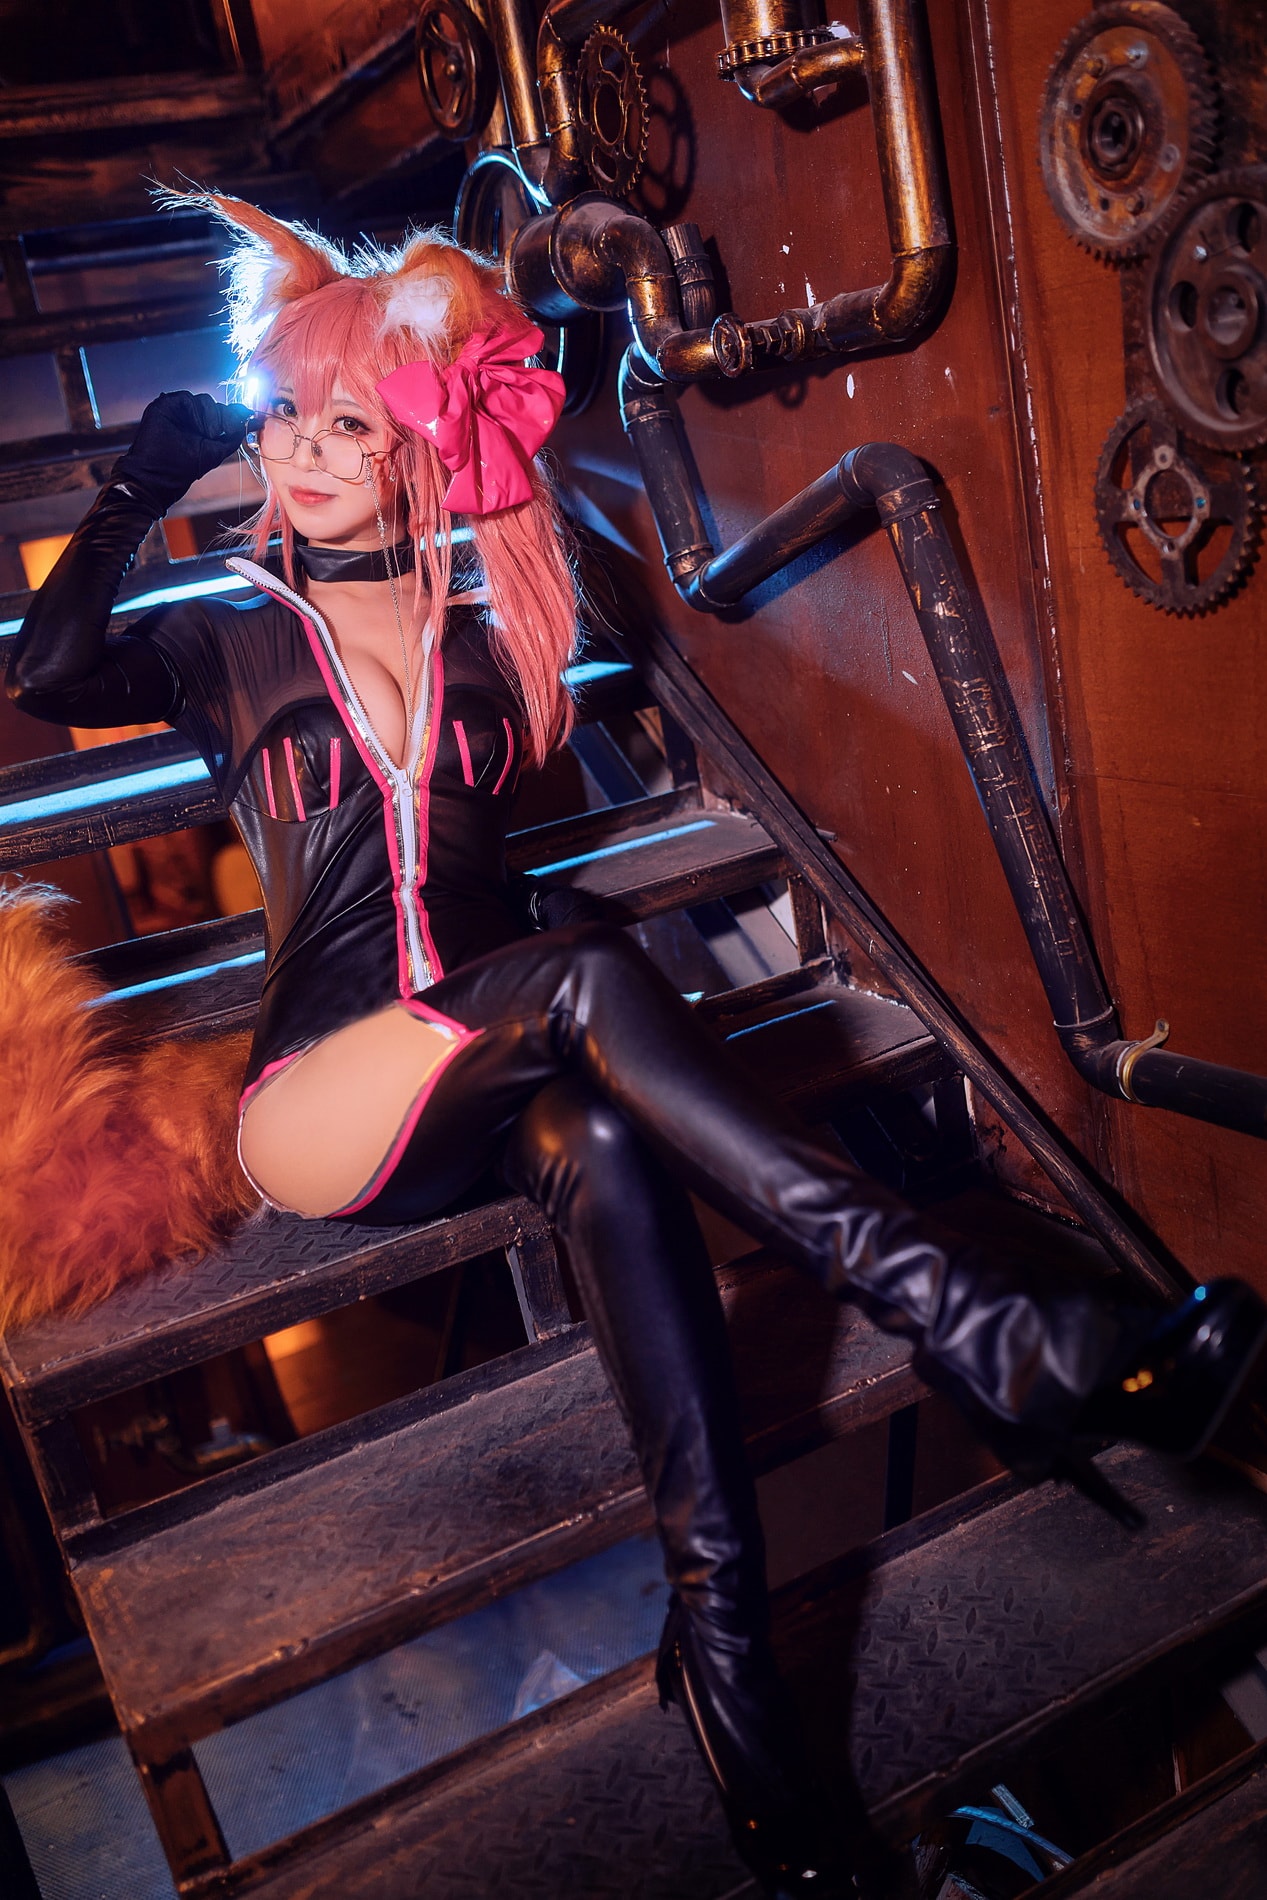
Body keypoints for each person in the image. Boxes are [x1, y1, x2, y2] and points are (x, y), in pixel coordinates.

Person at [8, 193, 1266, 1899]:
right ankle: (986, 1326)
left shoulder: (481, 633)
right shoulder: (229, 629)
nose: (301, 450)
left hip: (492, 1071)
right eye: (286, 416)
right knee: (589, 975)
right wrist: (138, 484)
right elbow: (53, 673)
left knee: (603, 1143)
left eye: (349, 424)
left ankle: (736, 1691)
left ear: (419, 449)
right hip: (322, 1098)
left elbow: (485, 851)